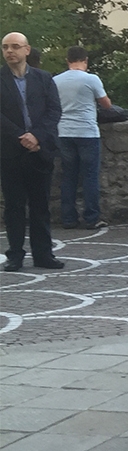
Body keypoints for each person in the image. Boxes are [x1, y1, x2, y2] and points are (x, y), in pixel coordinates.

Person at [1, 32, 63, 272]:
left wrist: (36, 136)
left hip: (40, 150)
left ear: (27, 50)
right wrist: (21, 136)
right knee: (14, 206)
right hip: (10, 151)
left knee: (41, 206)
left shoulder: (44, 78)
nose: (9, 51)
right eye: (5, 47)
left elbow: (54, 111)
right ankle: (15, 255)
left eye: (15, 47)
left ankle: (43, 255)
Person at [53, 45, 112, 230]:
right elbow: (107, 104)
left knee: (68, 176)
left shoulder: (55, 80)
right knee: (89, 176)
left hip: (63, 132)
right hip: (87, 132)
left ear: (67, 60)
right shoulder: (91, 79)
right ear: (85, 61)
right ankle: (92, 218)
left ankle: (68, 218)